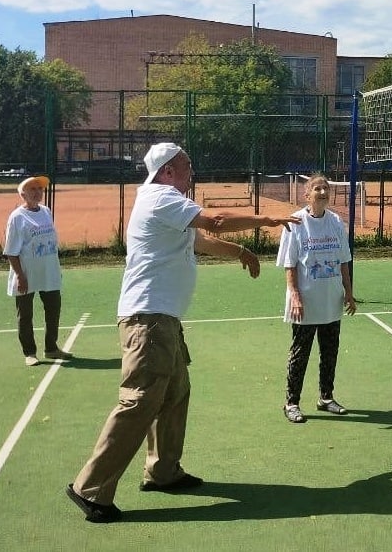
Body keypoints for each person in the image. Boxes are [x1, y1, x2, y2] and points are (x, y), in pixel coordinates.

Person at [66, 142, 300, 523]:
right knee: (139, 402)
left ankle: (163, 471)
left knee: (175, 394)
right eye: (187, 165)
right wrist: (265, 221)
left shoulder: (169, 206)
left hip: (164, 320)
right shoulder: (159, 196)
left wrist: (240, 252)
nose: (192, 171)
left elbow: (202, 239)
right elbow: (216, 221)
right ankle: (89, 489)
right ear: (167, 171)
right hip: (148, 319)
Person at [277, 174, 356, 424]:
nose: (322, 192)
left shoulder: (335, 221)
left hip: (331, 300)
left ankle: (326, 397)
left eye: (325, 188)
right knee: (300, 353)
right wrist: (295, 296)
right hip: (305, 303)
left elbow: (344, 261)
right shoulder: (296, 222)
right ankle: (291, 403)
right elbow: (289, 265)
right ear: (307, 195)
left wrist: (349, 293)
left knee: (329, 351)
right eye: (317, 189)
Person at [4, 175, 71, 367]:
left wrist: (55, 268)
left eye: (40, 189)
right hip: (25, 275)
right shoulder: (17, 217)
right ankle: (29, 352)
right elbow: (11, 251)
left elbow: (51, 243)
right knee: (25, 315)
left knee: (53, 309)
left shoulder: (46, 211)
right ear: (23, 194)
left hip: (49, 273)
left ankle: (51, 348)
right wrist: (19, 275)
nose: (37, 192)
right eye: (33, 189)